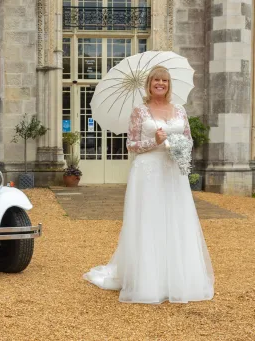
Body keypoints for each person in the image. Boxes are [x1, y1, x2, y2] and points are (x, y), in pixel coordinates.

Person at [83, 65, 214, 304]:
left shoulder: (179, 110)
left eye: (164, 80)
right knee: (149, 221)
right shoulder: (140, 111)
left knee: (176, 220)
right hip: (148, 172)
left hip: (173, 173)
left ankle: (178, 279)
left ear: (169, 84)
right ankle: (148, 282)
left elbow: (188, 138)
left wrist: (176, 145)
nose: (160, 84)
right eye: (156, 80)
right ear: (149, 84)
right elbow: (130, 145)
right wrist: (153, 141)